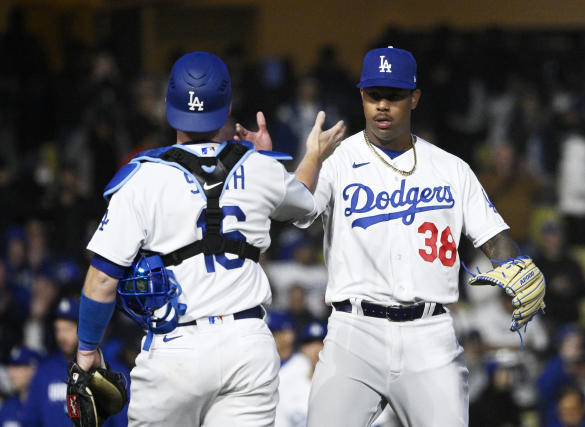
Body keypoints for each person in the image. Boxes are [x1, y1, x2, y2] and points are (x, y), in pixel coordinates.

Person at [73, 51, 345, 426]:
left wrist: (87, 351)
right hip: (247, 347)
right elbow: (304, 200)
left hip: (175, 350)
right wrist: (312, 153)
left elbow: (102, 278)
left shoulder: (142, 179)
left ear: (169, 106)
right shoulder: (259, 167)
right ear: (228, 104)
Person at [293, 46, 545, 426]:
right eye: (374, 95)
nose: (382, 105)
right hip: (354, 330)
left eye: (393, 96)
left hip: (430, 333)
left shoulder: (450, 168)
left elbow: (494, 237)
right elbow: (296, 209)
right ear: (362, 96)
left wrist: (518, 269)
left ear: (414, 98)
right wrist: (312, 158)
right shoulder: (337, 161)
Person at [22, 297, 128, 426]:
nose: (61, 336)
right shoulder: (44, 371)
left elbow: (124, 421)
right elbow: (30, 421)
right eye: (58, 329)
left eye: (67, 329)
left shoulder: (112, 370)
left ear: (84, 329)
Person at [0, 346, 42, 425]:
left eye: (17, 367)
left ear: (33, 370)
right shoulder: (8, 407)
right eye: (10, 367)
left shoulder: (47, 406)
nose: (10, 373)